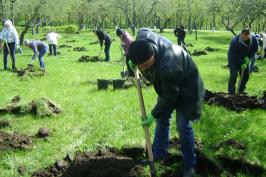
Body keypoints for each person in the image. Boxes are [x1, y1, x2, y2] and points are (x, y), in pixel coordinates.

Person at [128, 28, 205, 177]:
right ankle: (158, 154)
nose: (142, 69)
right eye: (140, 66)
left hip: (188, 89)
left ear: (153, 55)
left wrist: (152, 114)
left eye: (145, 65)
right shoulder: (143, 40)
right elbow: (138, 39)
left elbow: (169, 97)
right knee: (162, 119)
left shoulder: (168, 66)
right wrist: (131, 63)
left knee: (183, 126)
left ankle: (190, 165)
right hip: (169, 86)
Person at [228, 29, 258, 95]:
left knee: (246, 75)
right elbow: (235, 55)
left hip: (245, 58)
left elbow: (255, 48)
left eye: (247, 37)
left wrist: (248, 57)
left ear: (249, 35)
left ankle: (240, 90)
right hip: (233, 58)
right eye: (243, 37)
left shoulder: (253, 39)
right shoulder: (234, 42)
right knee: (234, 74)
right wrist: (242, 63)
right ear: (241, 34)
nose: (245, 39)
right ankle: (231, 92)